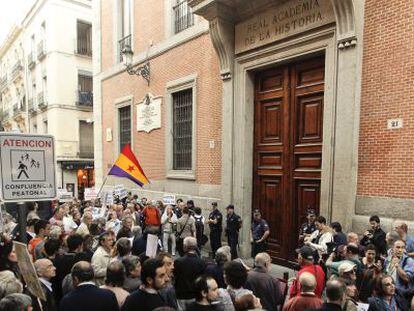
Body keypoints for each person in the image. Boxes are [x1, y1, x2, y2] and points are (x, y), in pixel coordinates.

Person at [53, 233, 89, 301]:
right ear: (79, 246)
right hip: (77, 295)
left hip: (60, 295)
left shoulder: (58, 259)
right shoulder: (80, 261)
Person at [174, 237, 207, 310]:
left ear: (185, 247)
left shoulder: (178, 262)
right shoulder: (201, 262)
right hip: (195, 294)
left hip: (181, 294)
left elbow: (174, 277)